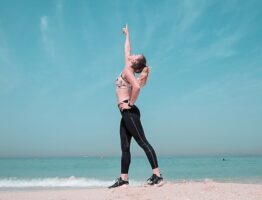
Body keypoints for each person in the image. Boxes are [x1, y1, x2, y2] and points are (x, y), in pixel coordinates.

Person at [108, 25, 163, 189]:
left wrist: (130, 104)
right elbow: (127, 49)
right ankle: (124, 180)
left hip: (130, 112)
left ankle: (157, 176)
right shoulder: (128, 66)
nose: (131, 54)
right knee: (125, 147)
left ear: (134, 62)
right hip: (125, 114)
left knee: (143, 142)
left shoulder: (128, 71)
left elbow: (137, 88)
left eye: (134, 55)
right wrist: (127, 35)